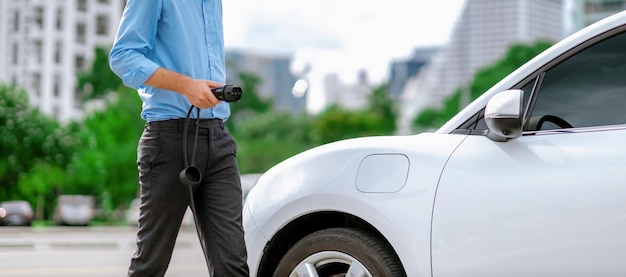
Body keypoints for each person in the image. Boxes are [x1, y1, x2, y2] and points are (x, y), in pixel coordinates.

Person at [109, 1, 249, 276]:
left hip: (218, 139)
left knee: (233, 266)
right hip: (168, 140)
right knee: (151, 264)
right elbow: (123, 56)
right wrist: (187, 86)